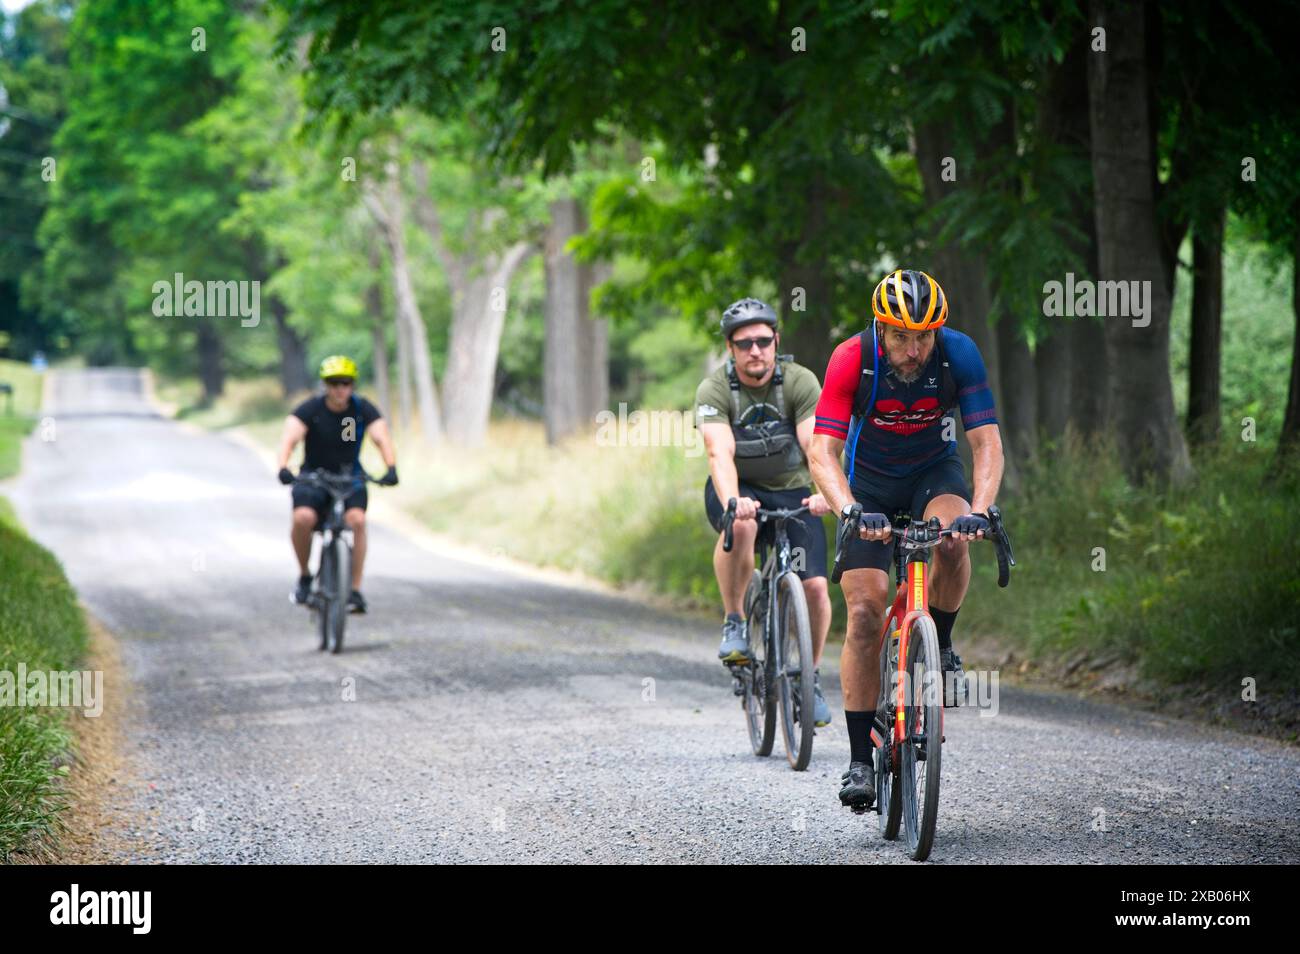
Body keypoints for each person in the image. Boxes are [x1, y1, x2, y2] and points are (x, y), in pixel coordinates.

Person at [807, 269, 1004, 810]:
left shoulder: (958, 355)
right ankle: (856, 763)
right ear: (881, 328)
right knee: (867, 613)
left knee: (952, 536)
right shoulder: (852, 357)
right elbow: (823, 450)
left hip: (932, 474)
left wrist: (981, 512)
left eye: (923, 336)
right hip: (866, 485)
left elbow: (986, 444)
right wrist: (848, 508)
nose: (913, 349)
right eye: (900, 336)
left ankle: (938, 643)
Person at [695, 297, 834, 727]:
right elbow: (720, 452)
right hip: (738, 487)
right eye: (744, 344)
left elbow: (815, 445)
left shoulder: (799, 381)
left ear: (776, 341)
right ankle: (735, 619)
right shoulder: (715, 390)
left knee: (813, 588)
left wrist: (825, 493)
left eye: (762, 341)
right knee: (743, 521)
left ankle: (806, 677)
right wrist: (735, 500)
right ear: (730, 349)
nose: (754, 350)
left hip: (793, 492)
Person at [276, 355, 398, 613]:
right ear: (325, 385)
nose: (339, 388)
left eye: (344, 383)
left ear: (352, 385)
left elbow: (381, 436)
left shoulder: (361, 409)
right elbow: (290, 437)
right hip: (313, 476)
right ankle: (305, 577)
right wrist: (284, 467)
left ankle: (353, 590)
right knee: (303, 518)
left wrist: (390, 467)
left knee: (358, 521)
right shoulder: (311, 409)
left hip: (349, 476)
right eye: (333, 383)